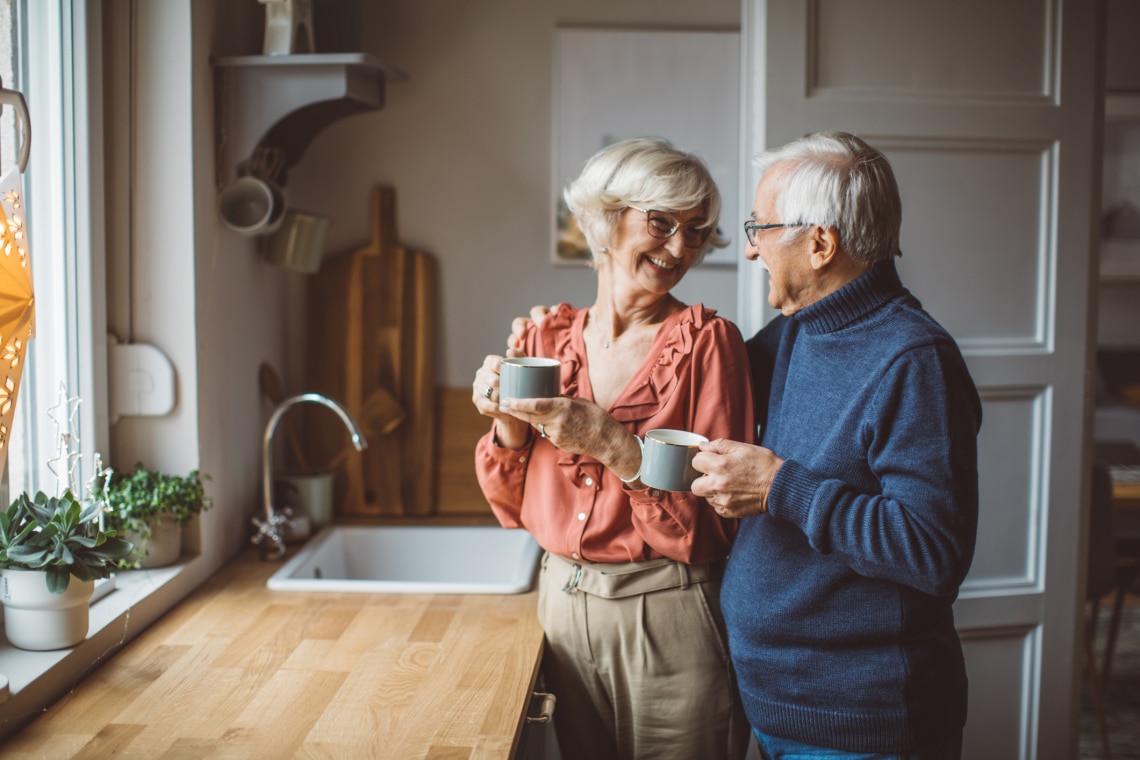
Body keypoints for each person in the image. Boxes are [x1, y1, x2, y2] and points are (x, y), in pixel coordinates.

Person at [690, 131, 982, 760]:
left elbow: (933, 552)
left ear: (819, 242)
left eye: (759, 229)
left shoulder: (914, 360)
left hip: (862, 724)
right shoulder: (796, 332)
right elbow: (696, 382)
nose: (749, 251)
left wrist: (780, 488)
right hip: (774, 703)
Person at [471, 137, 754, 760]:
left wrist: (609, 442)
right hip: (561, 609)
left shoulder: (709, 344)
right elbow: (513, 508)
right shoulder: (545, 334)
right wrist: (505, 418)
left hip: (667, 611)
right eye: (661, 222)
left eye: (697, 232)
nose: (680, 248)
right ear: (607, 219)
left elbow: (710, 529)